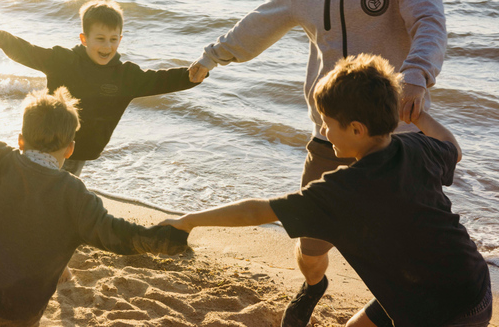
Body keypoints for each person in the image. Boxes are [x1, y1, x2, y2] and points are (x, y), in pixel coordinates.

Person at [188, 0, 447, 326]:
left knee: (403, 252)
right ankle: (314, 285)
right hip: (331, 137)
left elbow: (430, 23)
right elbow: (260, 22)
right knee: (310, 248)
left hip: (396, 143)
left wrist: (417, 76)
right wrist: (212, 57)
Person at [162, 54, 492, 327]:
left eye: (327, 123)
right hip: (468, 283)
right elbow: (452, 148)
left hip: (441, 314)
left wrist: (188, 220)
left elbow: (254, 211)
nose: (323, 130)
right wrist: (420, 117)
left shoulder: (342, 190)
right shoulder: (416, 148)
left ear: (357, 129)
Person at [0, 85, 189, 327]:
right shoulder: (75, 196)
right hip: (22, 312)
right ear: (70, 149)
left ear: (21, 140)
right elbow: (118, 235)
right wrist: (165, 238)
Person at [0, 0, 201, 177]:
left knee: (61, 193)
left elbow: (160, 80)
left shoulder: (126, 77)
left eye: (113, 39)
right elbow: (25, 50)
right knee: (33, 184)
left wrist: (191, 76)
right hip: (44, 142)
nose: (107, 46)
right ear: (84, 39)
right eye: (100, 39)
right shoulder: (63, 61)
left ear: (120, 39)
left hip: (79, 151)